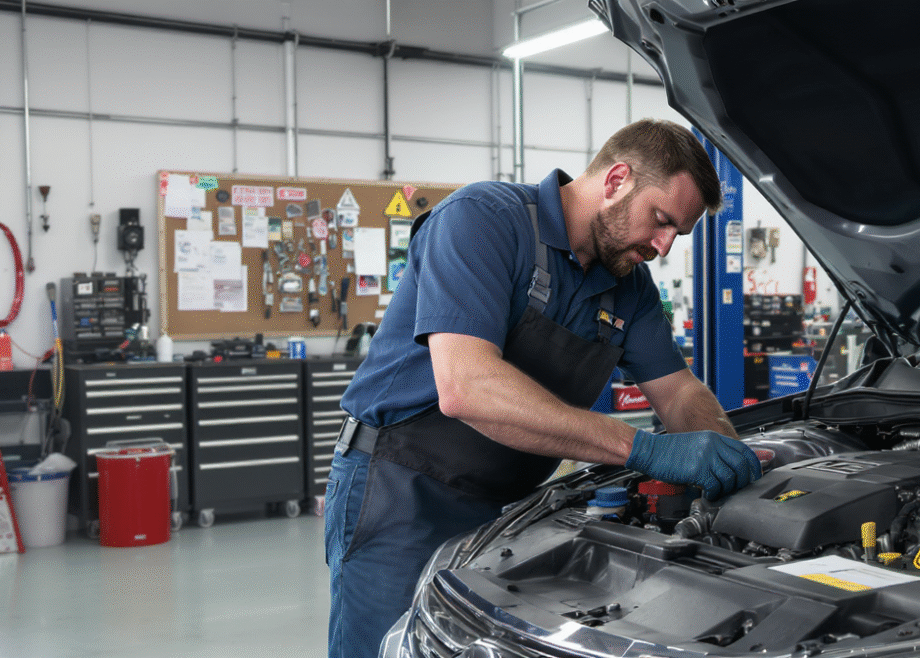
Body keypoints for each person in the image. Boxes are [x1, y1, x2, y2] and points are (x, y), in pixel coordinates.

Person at [325, 119, 762, 657]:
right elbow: (467, 387)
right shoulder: (484, 220)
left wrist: (729, 461)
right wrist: (645, 449)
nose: (664, 245)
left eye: (679, 234)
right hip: (400, 491)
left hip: (510, 507)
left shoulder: (629, 289)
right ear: (617, 179)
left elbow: (677, 391)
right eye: (661, 220)